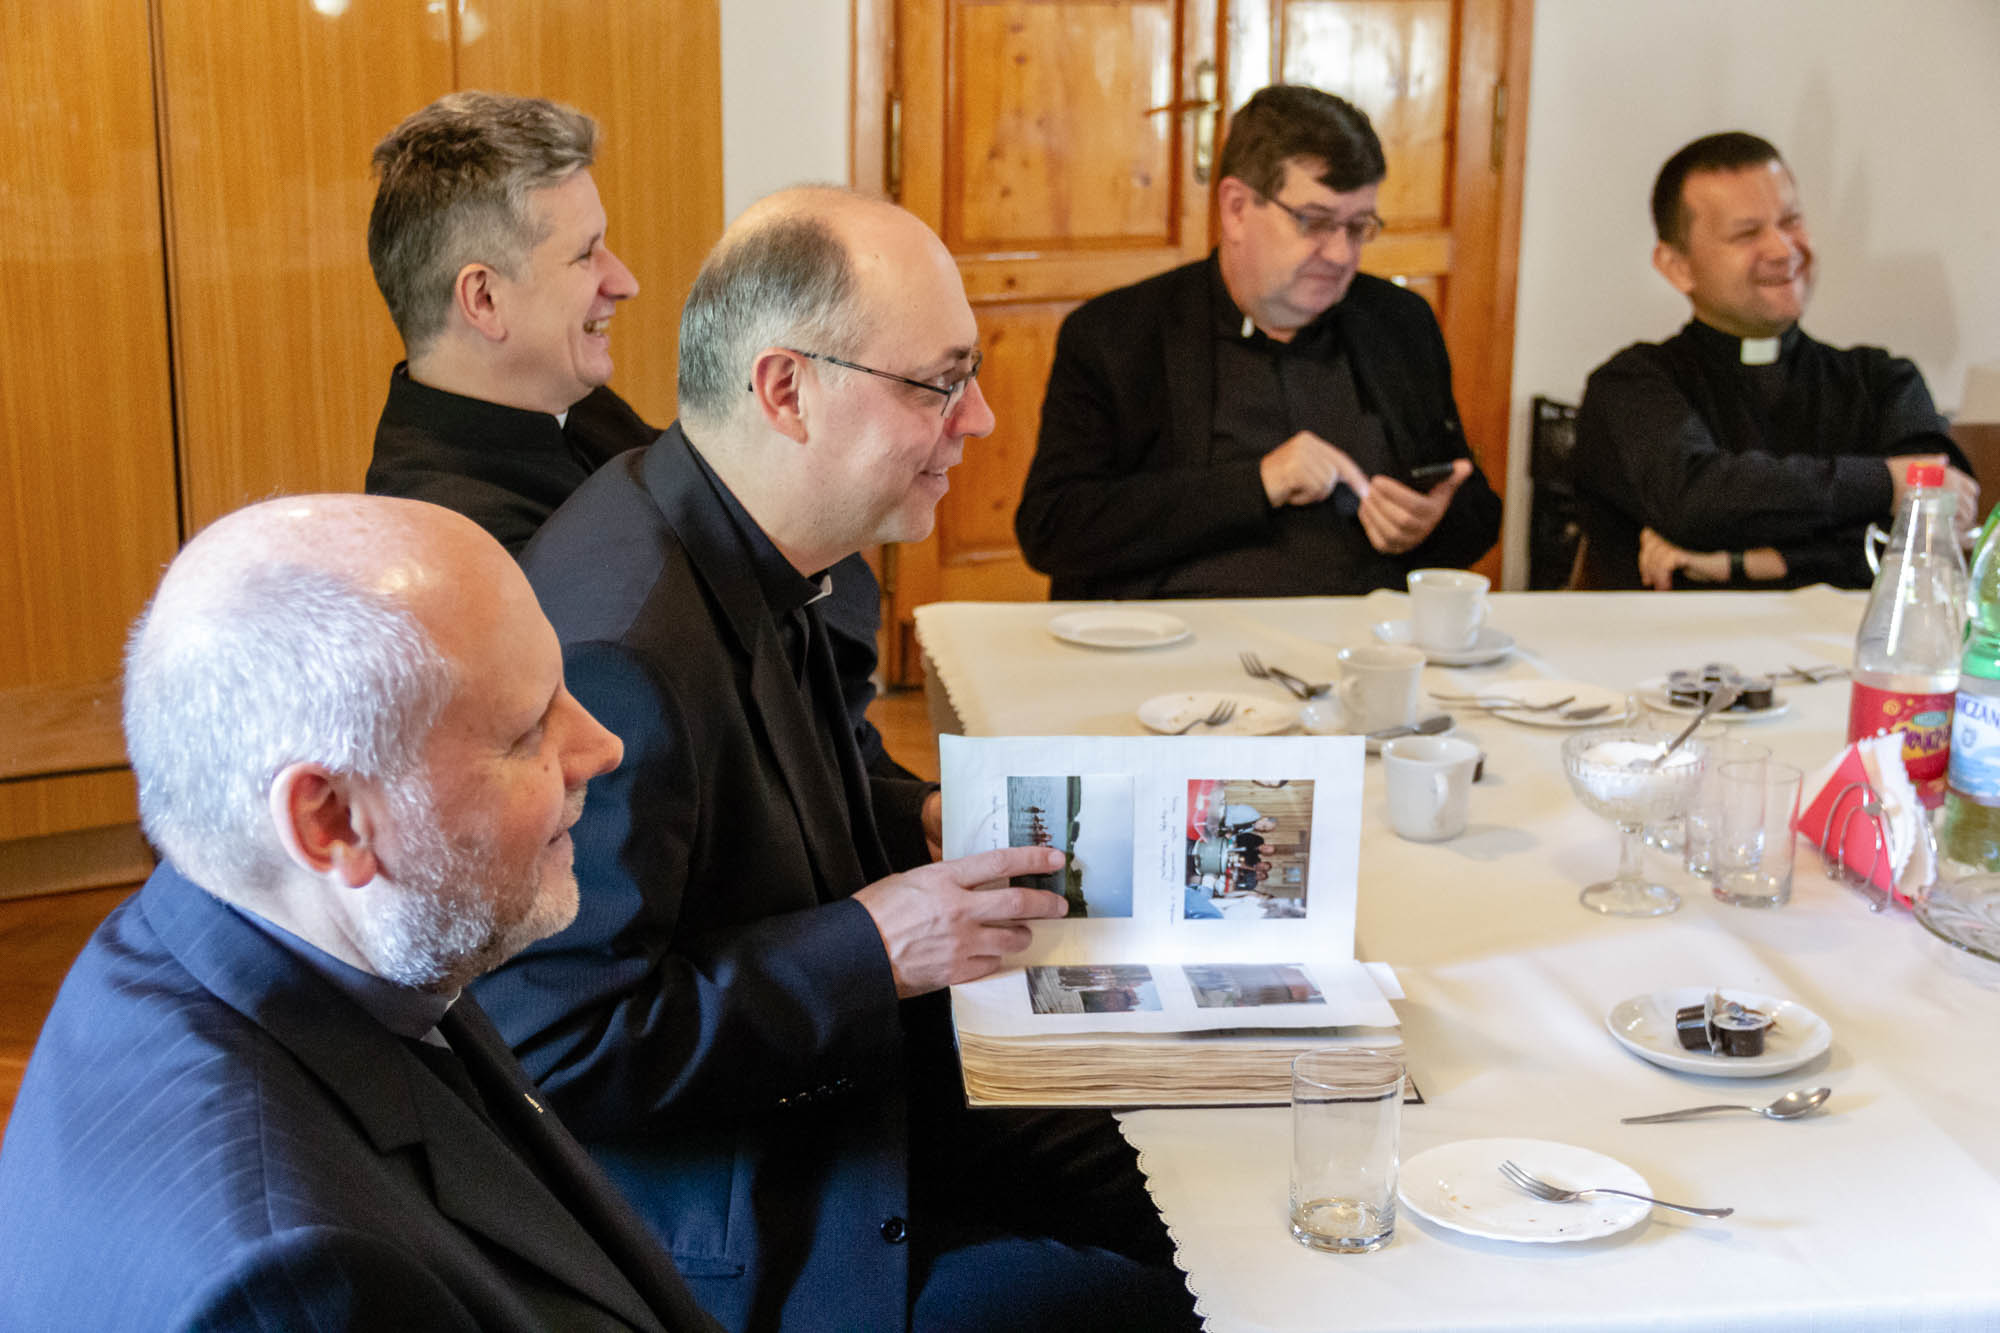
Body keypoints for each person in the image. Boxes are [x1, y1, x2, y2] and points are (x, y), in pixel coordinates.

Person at [479, 187, 1199, 1332]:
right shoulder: (618, 649)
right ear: (785, 391)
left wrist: (917, 815)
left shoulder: (734, 526)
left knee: (1205, 1178)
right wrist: (873, 948)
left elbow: (795, 765)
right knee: (1190, 1295)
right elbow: (560, 1043)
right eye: (938, 383)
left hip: (851, 1082)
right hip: (754, 1209)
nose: (978, 420)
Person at [0, 495, 720, 1332]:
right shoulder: (294, 1281)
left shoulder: (299, 928)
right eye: (529, 731)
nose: (602, 746)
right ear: (332, 821)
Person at [361, 91, 906, 775]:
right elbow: (746, 707)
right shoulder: (462, 543)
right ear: (484, 299)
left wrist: (914, 808)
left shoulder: (576, 408)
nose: (624, 281)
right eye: (585, 254)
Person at [1015, 83, 1501, 599]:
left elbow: (1473, 507)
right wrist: (1261, 482)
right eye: (1315, 222)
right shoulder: (1119, 334)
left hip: (1364, 631)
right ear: (1237, 208)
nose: (1341, 254)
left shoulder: (1398, 323)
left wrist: (1431, 522)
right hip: (1183, 632)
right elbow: (1055, 528)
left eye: (1359, 227)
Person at [1572, 131, 1975, 590]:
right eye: (1746, 234)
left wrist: (1755, 562)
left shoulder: (1882, 381)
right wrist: (1885, 483)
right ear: (1677, 266)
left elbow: (1940, 530)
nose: (1783, 250)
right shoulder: (1631, 385)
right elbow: (1696, 502)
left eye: (1791, 220)